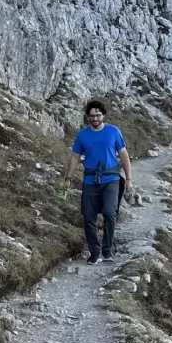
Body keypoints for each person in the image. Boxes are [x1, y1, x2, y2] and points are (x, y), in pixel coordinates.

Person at [63, 100, 132, 265]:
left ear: (104, 115)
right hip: (90, 179)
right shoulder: (82, 135)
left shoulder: (114, 132)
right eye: (92, 116)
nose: (95, 118)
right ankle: (94, 252)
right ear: (88, 117)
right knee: (88, 216)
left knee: (109, 212)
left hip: (111, 179)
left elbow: (123, 155)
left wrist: (128, 179)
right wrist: (68, 178)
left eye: (98, 115)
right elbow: (75, 157)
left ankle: (107, 251)